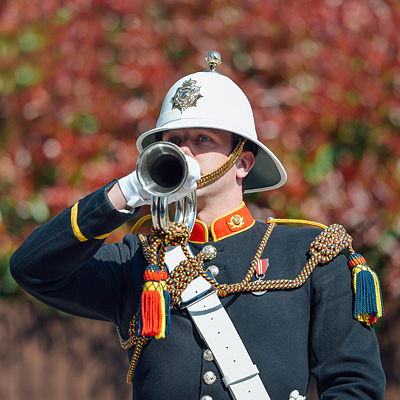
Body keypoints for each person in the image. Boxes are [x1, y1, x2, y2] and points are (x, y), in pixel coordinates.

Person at [10, 51, 385, 400]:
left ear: (243, 163)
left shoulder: (312, 252)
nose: (184, 152)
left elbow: (355, 384)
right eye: (173, 141)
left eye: (203, 139)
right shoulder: (137, 261)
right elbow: (32, 269)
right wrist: (125, 192)